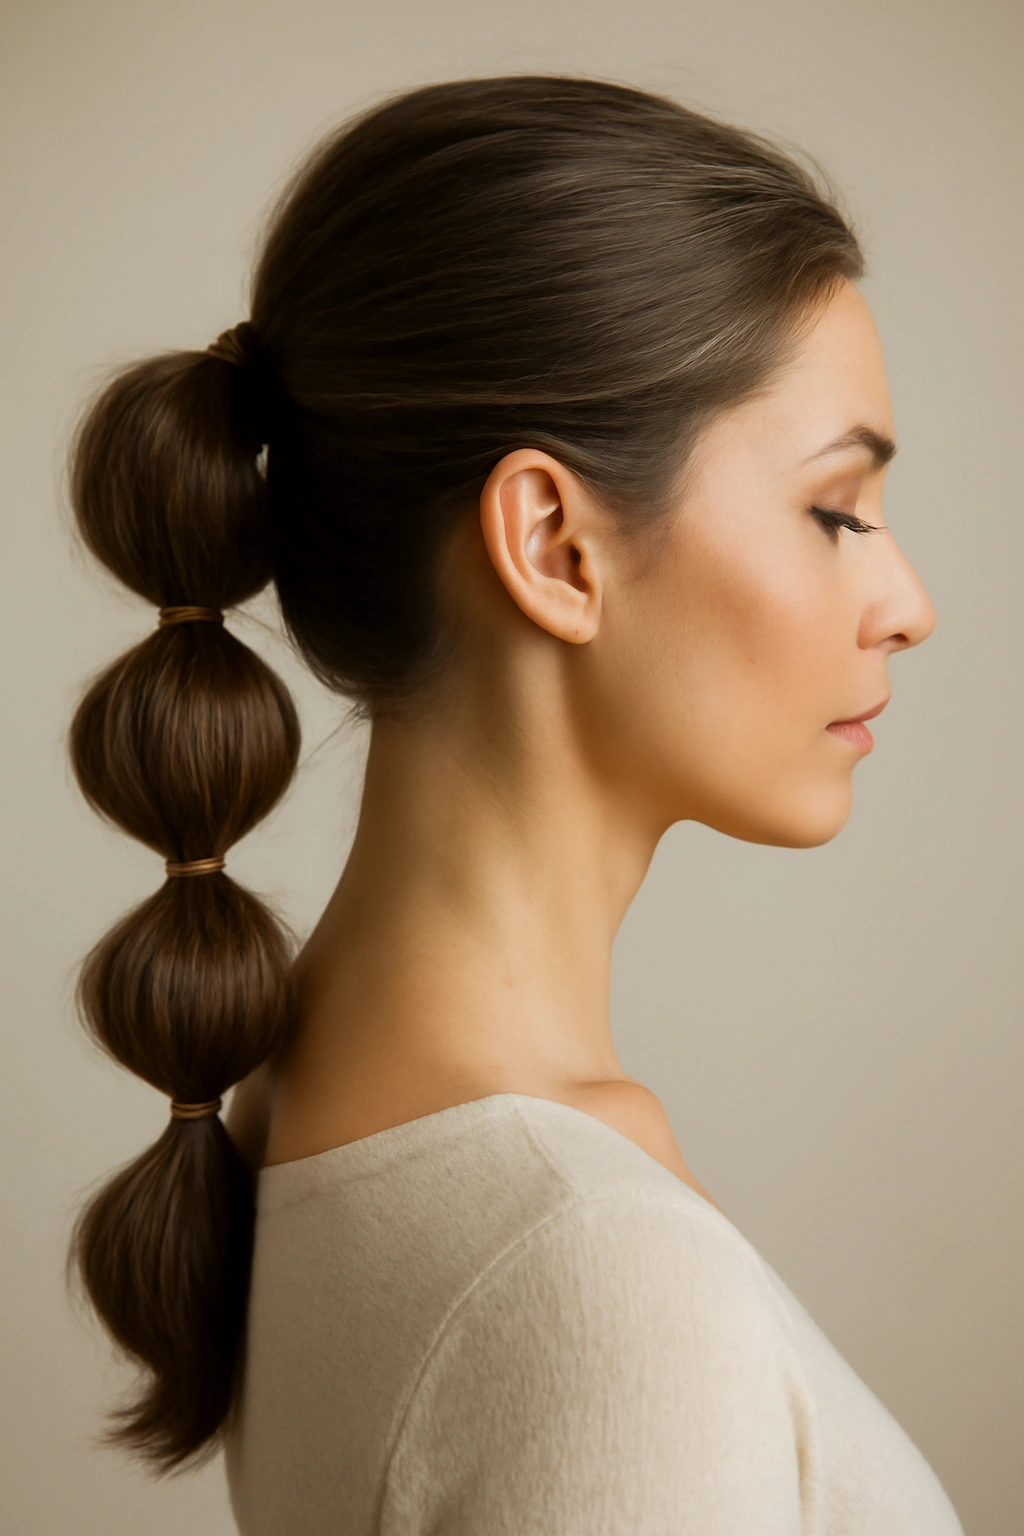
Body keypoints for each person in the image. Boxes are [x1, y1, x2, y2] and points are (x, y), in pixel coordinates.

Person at [65, 75, 964, 1534]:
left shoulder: (295, 1106)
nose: (907, 604)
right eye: (836, 511)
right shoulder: (592, 1267)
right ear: (553, 543)